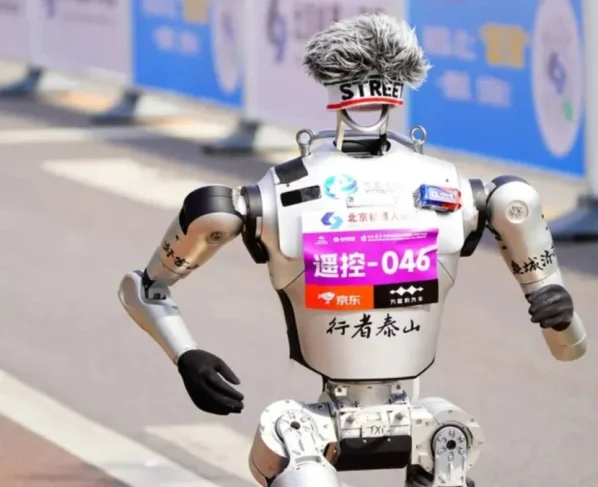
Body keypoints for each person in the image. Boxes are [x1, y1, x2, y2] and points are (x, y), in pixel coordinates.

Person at [117, 13, 586, 487]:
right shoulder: (286, 192)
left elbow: (568, 340)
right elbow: (146, 286)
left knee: (448, 446)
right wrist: (186, 356)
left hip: (418, 416)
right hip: (314, 427)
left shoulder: (445, 187)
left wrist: (559, 312)